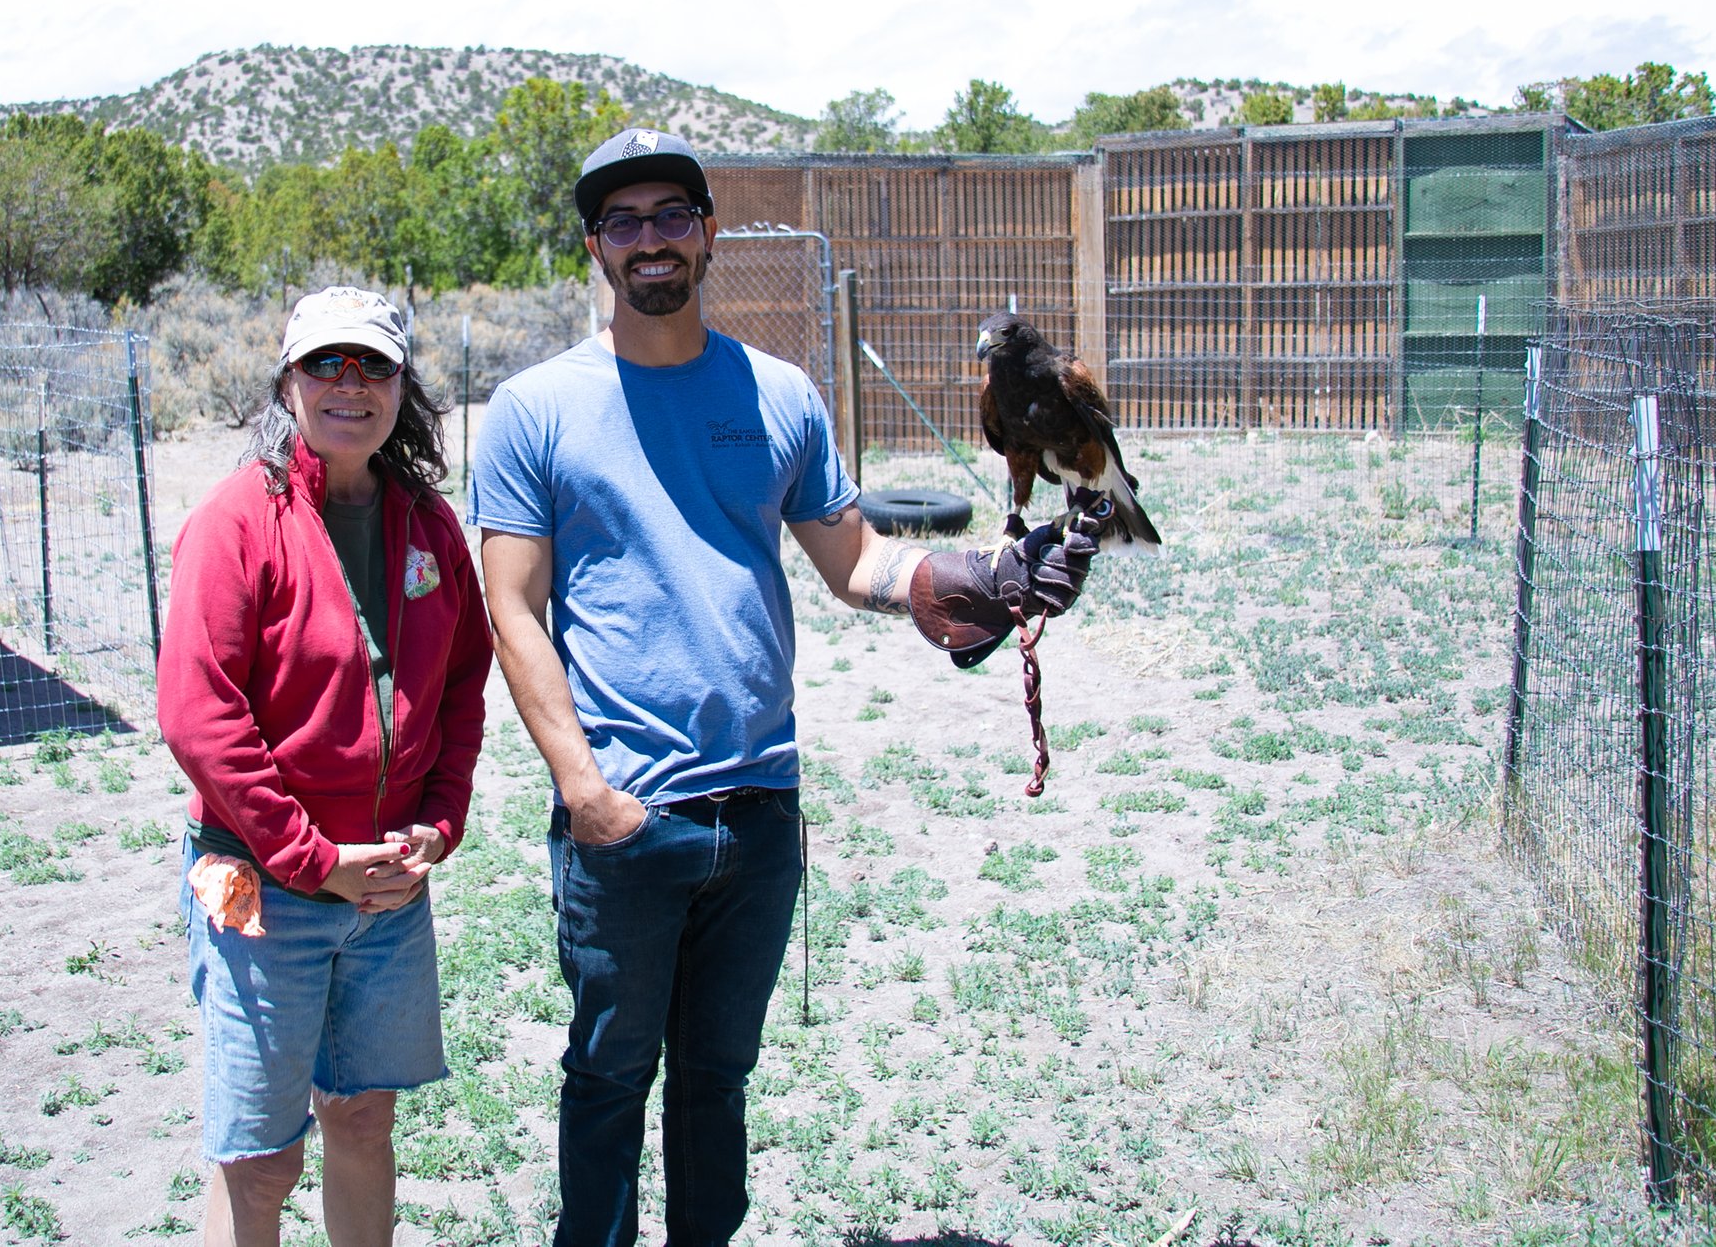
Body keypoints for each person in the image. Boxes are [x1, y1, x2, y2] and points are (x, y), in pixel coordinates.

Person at [468, 130, 1099, 1246]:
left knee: (715, 1080)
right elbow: (511, 607)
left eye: (671, 213)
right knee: (608, 1076)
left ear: (708, 232)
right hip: (625, 811)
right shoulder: (534, 408)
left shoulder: (780, 393)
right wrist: (586, 790)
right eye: (624, 220)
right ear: (593, 247)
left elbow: (854, 560)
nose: (650, 237)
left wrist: (976, 576)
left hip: (759, 806)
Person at [158, 285, 491, 1247]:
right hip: (262, 881)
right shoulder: (235, 523)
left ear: (403, 384)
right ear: (287, 380)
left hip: (387, 886)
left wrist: (441, 810)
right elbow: (198, 717)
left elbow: (464, 676)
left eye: (373, 364)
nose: (350, 384)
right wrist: (311, 858)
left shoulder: (428, 525)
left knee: (361, 1116)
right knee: (259, 1157)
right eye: (325, 364)